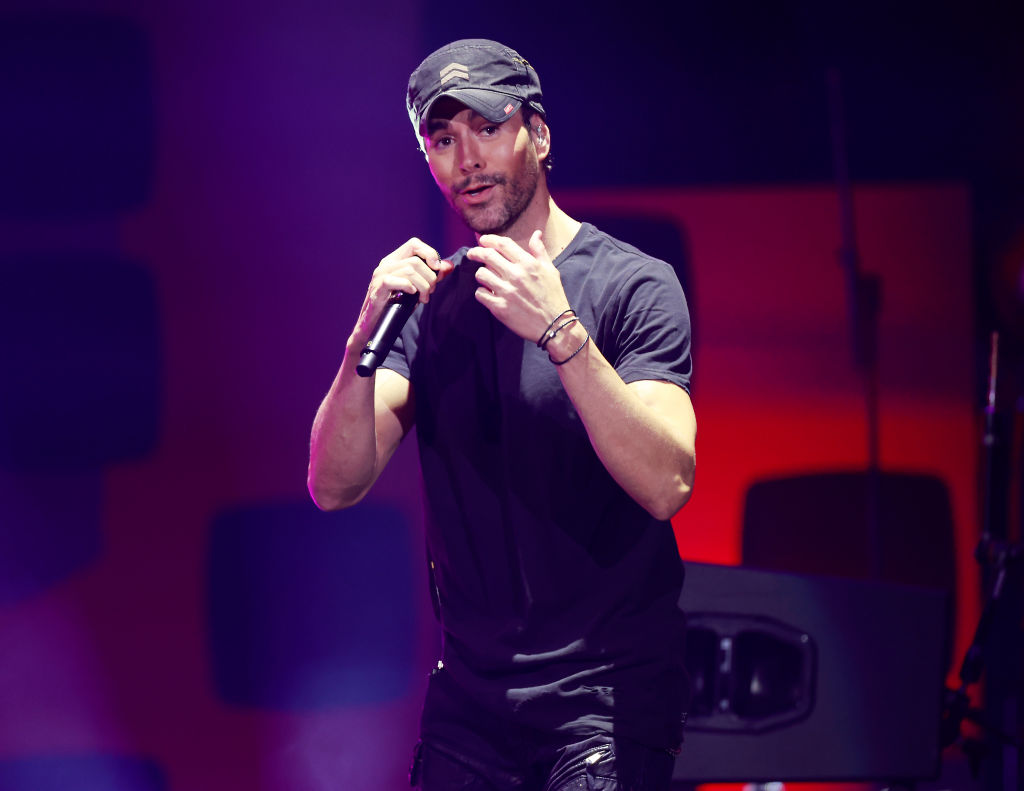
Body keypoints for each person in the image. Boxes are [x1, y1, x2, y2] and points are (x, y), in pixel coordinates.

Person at [308, 38, 696, 791]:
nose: (468, 160)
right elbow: (333, 483)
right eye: (442, 140)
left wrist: (560, 331)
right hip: (470, 706)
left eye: (487, 128)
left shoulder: (634, 286)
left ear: (538, 135)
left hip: (603, 699)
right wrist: (361, 336)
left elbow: (667, 482)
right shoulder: (431, 303)